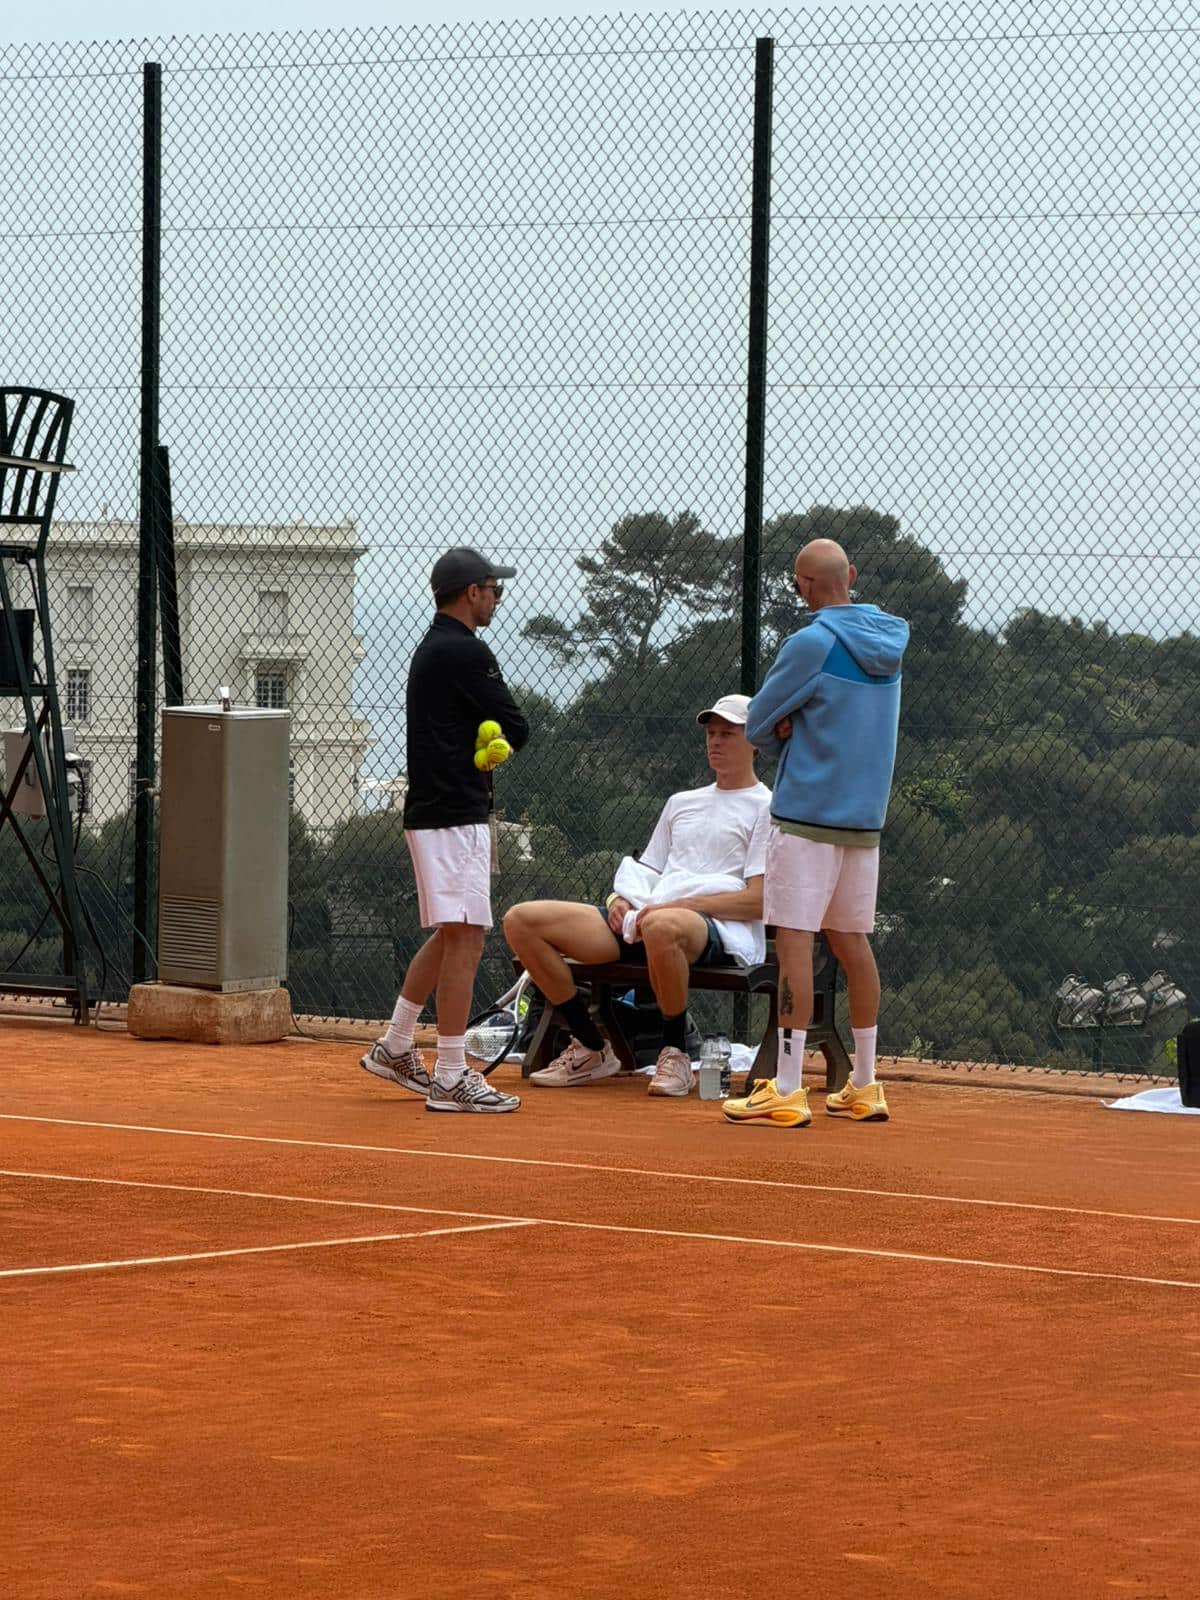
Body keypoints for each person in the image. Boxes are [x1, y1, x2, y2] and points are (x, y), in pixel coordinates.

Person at [723, 539, 909, 1129]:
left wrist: (785, 731)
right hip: (864, 822)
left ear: (804, 586)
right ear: (850, 575)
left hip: (805, 819)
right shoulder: (891, 642)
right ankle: (865, 1085)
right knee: (853, 942)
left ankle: (785, 1088)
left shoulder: (810, 643)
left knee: (796, 944)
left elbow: (756, 722)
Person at [503, 694, 771, 1096]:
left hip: (715, 929)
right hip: (645, 920)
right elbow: (648, 871)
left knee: (662, 924)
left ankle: (675, 1054)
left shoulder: (767, 807)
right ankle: (592, 1048)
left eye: (728, 734)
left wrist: (680, 906)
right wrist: (619, 901)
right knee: (521, 921)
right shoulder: (681, 803)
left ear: (755, 741)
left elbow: (757, 900)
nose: (715, 741)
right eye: (711, 733)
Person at [360, 547, 530, 1114]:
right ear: (471, 593)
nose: (497, 599)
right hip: (454, 815)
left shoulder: (431, 647)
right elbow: (516, 725)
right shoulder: (465, 650)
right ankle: (452, 1075)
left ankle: (396, 1044)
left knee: (451, 932)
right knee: (467, 937)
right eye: (493, 590)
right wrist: (495, 740)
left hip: (437, 812)